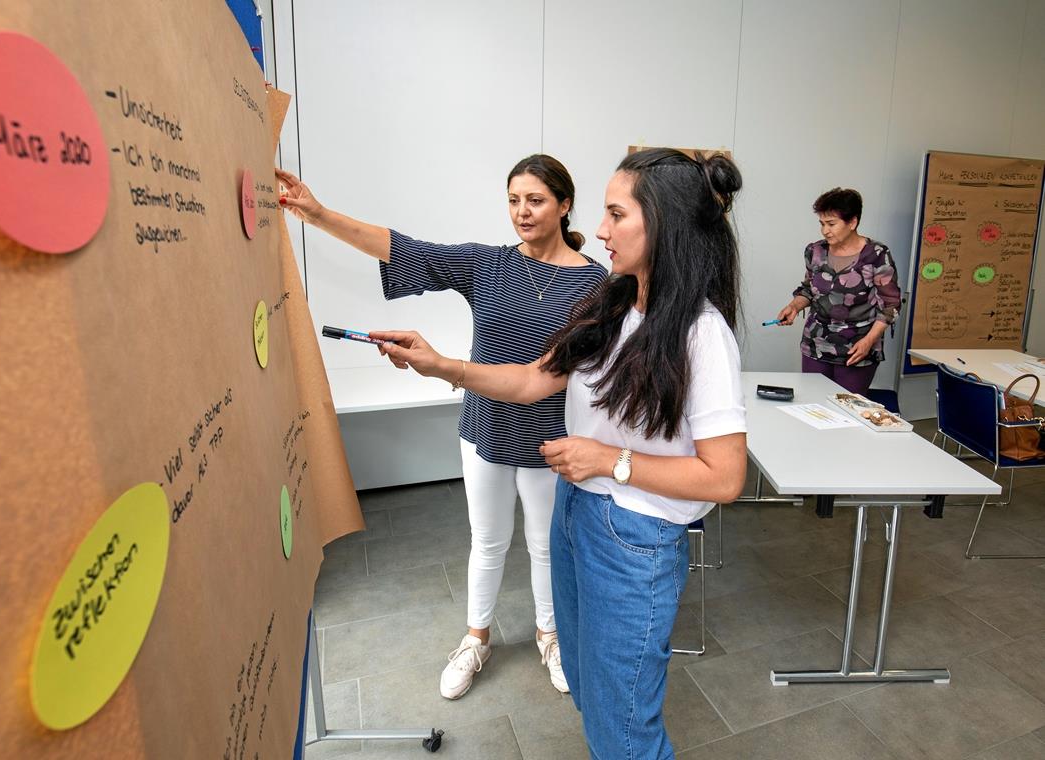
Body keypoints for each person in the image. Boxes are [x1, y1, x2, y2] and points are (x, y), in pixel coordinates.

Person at [369, 148, 747, 759]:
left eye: (616, 214)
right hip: (577, 516)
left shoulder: (702, 335)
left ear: (664, 226)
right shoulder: (611, 303)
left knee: (626, 731)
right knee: (592, 695)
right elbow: (529, 381)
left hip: (637, 543)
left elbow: (726, 477)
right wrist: (440, 365)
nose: (599, 229)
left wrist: (608, 461)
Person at [276, 156, 608, 700]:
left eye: (536, 200)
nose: (522, 212)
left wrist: (446, 367)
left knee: (547, 545)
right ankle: (477, 638)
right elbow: (404, 249)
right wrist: (316, 213)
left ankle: (551, 636)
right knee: (488, 541)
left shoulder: (596, 284)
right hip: (486, 429)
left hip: (551, 435)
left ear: (565, 204)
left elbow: (552, 376)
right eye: (513, 200)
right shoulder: (487, 265)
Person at [775, 187, 901, 395]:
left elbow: (891, 304)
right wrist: (794, 306)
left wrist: (869, 340)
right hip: (816, 344)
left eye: (831, 224)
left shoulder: (877, 255)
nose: (825, 231)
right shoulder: (814, 251)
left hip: (857, 348)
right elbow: (809, 289)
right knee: (812, 406)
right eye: (822, 224)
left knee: (846, 411)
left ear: (852, 222)